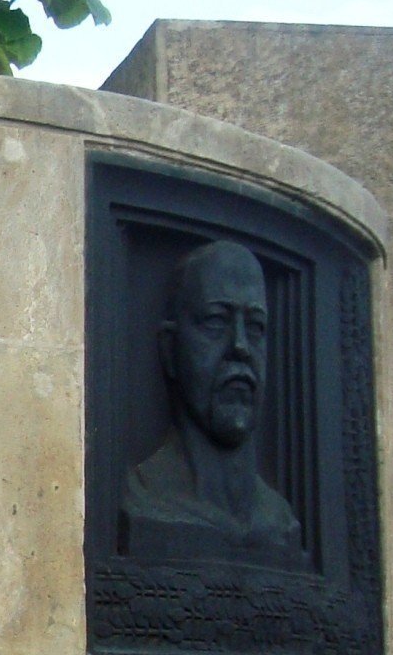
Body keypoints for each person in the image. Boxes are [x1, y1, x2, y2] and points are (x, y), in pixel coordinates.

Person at [120, 240, 305, 566]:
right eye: (216, 320)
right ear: (169, 349)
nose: (241, 346)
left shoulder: (281, 521)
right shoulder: (141, 499)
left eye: (256, 327)